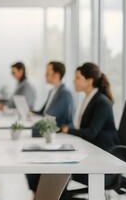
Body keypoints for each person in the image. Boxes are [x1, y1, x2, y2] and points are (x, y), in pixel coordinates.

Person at [60, 62, 119, 189]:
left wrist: (67, 130)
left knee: (60, 168)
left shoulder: (102, 102)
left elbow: (91, 133)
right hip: (90, 151)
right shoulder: (88, 99)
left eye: (77, 78)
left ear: (89, 80)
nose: (74, 81)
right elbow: (81, 128)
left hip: (102, 158)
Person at [26, 61, 74, 193]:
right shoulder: (53, 91)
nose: (45, 75)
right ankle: (37, 193)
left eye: (48, 73)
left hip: (58, 138)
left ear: (57, 74)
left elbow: (52, 118)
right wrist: (31, 113)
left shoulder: (64, 93)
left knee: (33, 162)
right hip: (48, 135)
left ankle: (39, 193)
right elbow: (43, 113)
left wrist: (38, 120)